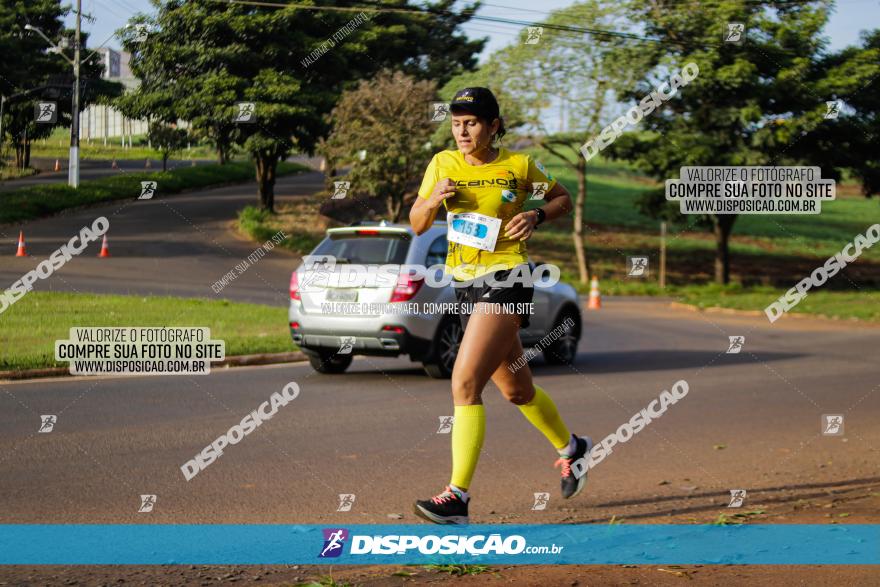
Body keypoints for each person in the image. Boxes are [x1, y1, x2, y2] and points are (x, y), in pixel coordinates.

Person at [409, 87, 592, 524]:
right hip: (466, 285)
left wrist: (537, 214)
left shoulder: (520, 165)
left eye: (472, 123)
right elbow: (417, 224)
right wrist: (433, 201)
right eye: (456, 123)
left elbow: (563, 198)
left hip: (509, 279)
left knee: (464, 383)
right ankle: (573, 448)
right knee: (517, 390)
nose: (462, 131)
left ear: (493, 126)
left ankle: (457, 498)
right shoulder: (441, 163)